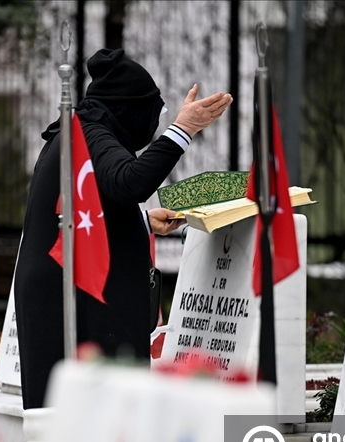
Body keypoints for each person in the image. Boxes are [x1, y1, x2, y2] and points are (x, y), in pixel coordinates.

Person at [14, 48, 232, 409]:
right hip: (74, 302)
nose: (151, 126)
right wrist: (183, 130)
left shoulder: (79, 131)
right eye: (152, 115)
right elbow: (130, 182)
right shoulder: (92, 134)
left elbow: (90, 209)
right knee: (86, 418)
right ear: (130, 109)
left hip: (65, 293)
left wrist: (141, 223)